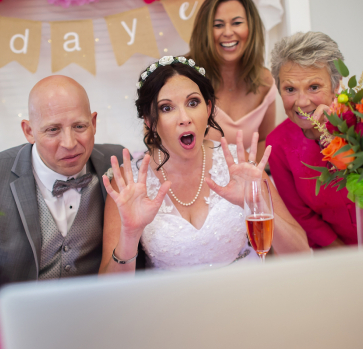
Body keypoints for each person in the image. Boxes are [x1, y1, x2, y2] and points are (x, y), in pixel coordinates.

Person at [99, 56, 310, 274]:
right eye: (166, 108)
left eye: (193, 103)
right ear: (149, 120)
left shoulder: (239, 165)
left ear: (208, 109)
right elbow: (109, 294)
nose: (185, 117)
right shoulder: (128, 183)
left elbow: (301, 254)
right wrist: (130, 235)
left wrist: (258, 204)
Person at [0, 76, 124, 309]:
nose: (70, 143)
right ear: (29, 131)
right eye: (53, 130)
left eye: (79, 126)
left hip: (99, 318)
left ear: (93, 123)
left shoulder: (118, 163)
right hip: (17, 327)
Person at [265, 32, 363, 255]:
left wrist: (336, 129)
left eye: (314, 87)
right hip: (331, 250)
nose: (302, 102)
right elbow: (300, 214)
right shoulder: (278, 143)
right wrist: (344, 257)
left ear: (336, 86)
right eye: (290, 89)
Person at [189, 0, 277, 162]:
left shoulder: (265, 81)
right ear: (205, 31)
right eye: (218, 25)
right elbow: (157, 135)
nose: (228, 32)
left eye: (237, 23)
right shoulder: (184, 76)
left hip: (240, 184)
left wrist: (253, 178)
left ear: (251, 28)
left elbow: (263, 139)